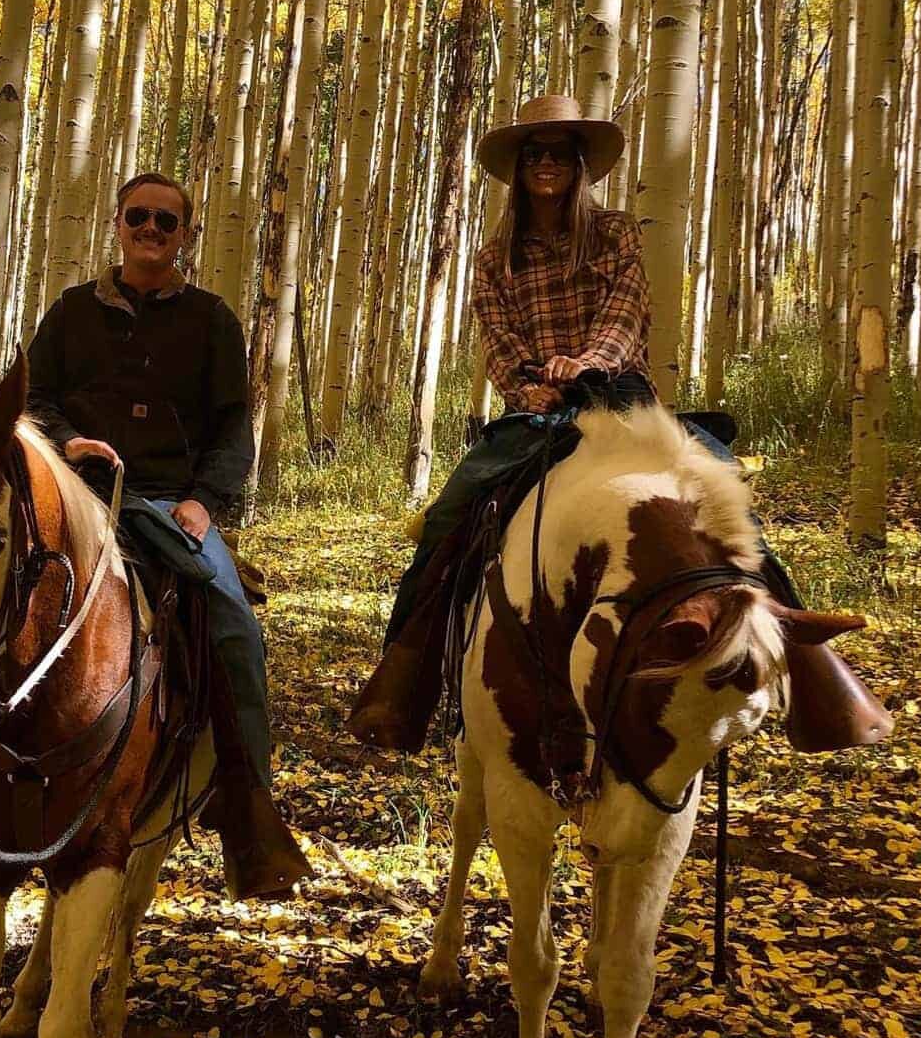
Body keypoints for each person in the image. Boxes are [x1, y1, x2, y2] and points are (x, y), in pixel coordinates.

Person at [347, 93, 893, 756]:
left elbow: (626, 310)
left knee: (723, 491)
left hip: (621, 395)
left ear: (579, 166)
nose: (546, 164)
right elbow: (496, 336)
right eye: (534, 154)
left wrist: (589, 365)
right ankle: (402, 686)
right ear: (519, 169)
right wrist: (526, 385)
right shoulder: (495, 258)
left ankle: (813, 677)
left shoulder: (613, 232)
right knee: (450, 515)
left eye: (560, 153)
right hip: (538, 405)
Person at [24, 170, 311, 900]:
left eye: (167, 222)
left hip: (167, 504)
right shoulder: (69, 313)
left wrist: (204, 502)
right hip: (77, 494)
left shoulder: (212, 320)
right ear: (116, 224)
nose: (151, 231)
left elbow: (230, 426)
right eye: (138, 217)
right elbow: (34, 399)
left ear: (187, 236)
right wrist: (68, 440)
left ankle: (247, 805)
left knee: (234, 624)